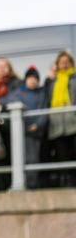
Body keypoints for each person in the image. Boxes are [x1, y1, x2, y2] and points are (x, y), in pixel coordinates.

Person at [2, 66, 47, 188]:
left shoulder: (42, 93)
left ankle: (31, 185)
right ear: (26, 79)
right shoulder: (18, 93)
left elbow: (45, 111)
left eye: (35, 78)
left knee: (33, 160)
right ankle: (22, 184)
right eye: (30, 78)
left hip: (36, 134)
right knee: (20, 160)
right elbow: (4, 102)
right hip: (20, 133)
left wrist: (37, 125)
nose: (32, 81)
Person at [0, 58, 22, 191]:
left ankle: (13, 185)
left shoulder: (17, 82)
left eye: (4, 66)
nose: (2, 69)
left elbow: (17, 97)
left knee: (12, 157)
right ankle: (0, 187)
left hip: (11, 127)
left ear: (10, 68)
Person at [45, 51, 76, 186]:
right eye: (61, 63)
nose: (64, 65)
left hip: (73, 123)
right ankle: (65, 182)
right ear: (57, 65)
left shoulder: (74, 79)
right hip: (57, 125)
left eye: (66, 62)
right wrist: (49, 79)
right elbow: (46, 99)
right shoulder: (52, 83)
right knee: (61, 155)